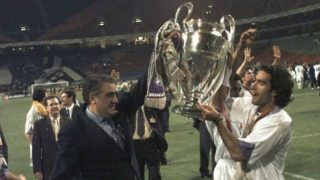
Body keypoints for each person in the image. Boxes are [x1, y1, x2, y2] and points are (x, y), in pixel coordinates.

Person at [198, 65, 294, 179]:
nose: (253, 86)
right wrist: (226, 66)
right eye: (255, 81)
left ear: (275, 91)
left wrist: (217, 120)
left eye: (261, 83)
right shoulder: (250, 106)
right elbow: (218, 105)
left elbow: (240, 153)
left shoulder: (280, 121)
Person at [50, 73, 147, 180]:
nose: (115, 100)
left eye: (115, 94)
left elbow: (139, 92)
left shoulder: (118, 112)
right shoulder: (73, 132)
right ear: (92, 99)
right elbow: (60, 175)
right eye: (110, 95)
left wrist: (156, 58)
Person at [32, 95, 71, 180]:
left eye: (56, 104)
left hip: (68, 166)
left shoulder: (69, 122)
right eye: (51, 105)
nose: (54, 106)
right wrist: (37, 169)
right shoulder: (39, 125)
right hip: (48, 168)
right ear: (46, 108)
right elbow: (36, 149)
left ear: (60, 106)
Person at [131, 105, 167, 180]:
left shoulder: (151, 109)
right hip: (135, 145)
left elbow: (159, 127)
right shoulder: (129, 112)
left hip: (150, 144)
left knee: (154, 174)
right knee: (138, 175)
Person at [25, 89, 47, 167]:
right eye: (46, 96)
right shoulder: (32, 112)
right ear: (43, 98)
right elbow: (28, 133)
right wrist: (37, 148)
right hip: (39, 150)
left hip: (47, 147)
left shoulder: (44, 110)